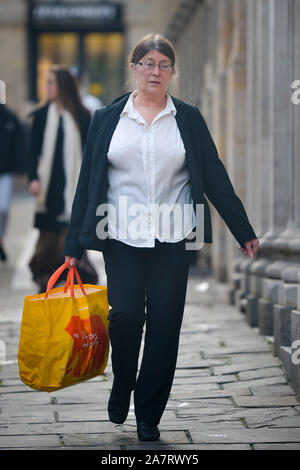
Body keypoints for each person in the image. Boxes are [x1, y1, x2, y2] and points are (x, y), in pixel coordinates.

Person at [64, 34, 259, 441]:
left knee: (166, 326)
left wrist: (242, 230)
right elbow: (87, 183)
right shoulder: (107, 119)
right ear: (134, 68)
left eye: (164, 65)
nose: (156, 71)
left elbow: (216, 177)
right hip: (120, 233)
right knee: (126, 315)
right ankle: (123, 383)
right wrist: (72, 246)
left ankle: (148, 413)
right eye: (148, 63)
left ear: (172, 72)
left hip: (173, 237)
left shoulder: (187, 118)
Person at [27, 66, 98, 293]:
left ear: (63, 86)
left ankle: (73, 286)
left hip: (73, 187)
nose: (47, 87)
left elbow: (92, 152)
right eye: (46, 82)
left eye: (51, 83)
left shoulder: (83, 115)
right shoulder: (39, 116)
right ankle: (45, 286)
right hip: (49, 188)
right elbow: (30, 152)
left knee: (69, 240)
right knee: (46, 243)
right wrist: (33, 178)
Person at [0, 104, 26, 262]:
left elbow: (19, 143)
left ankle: (1, 238)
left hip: (6, 170)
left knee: (3, 208)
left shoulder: (9, 117)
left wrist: (20, 167)